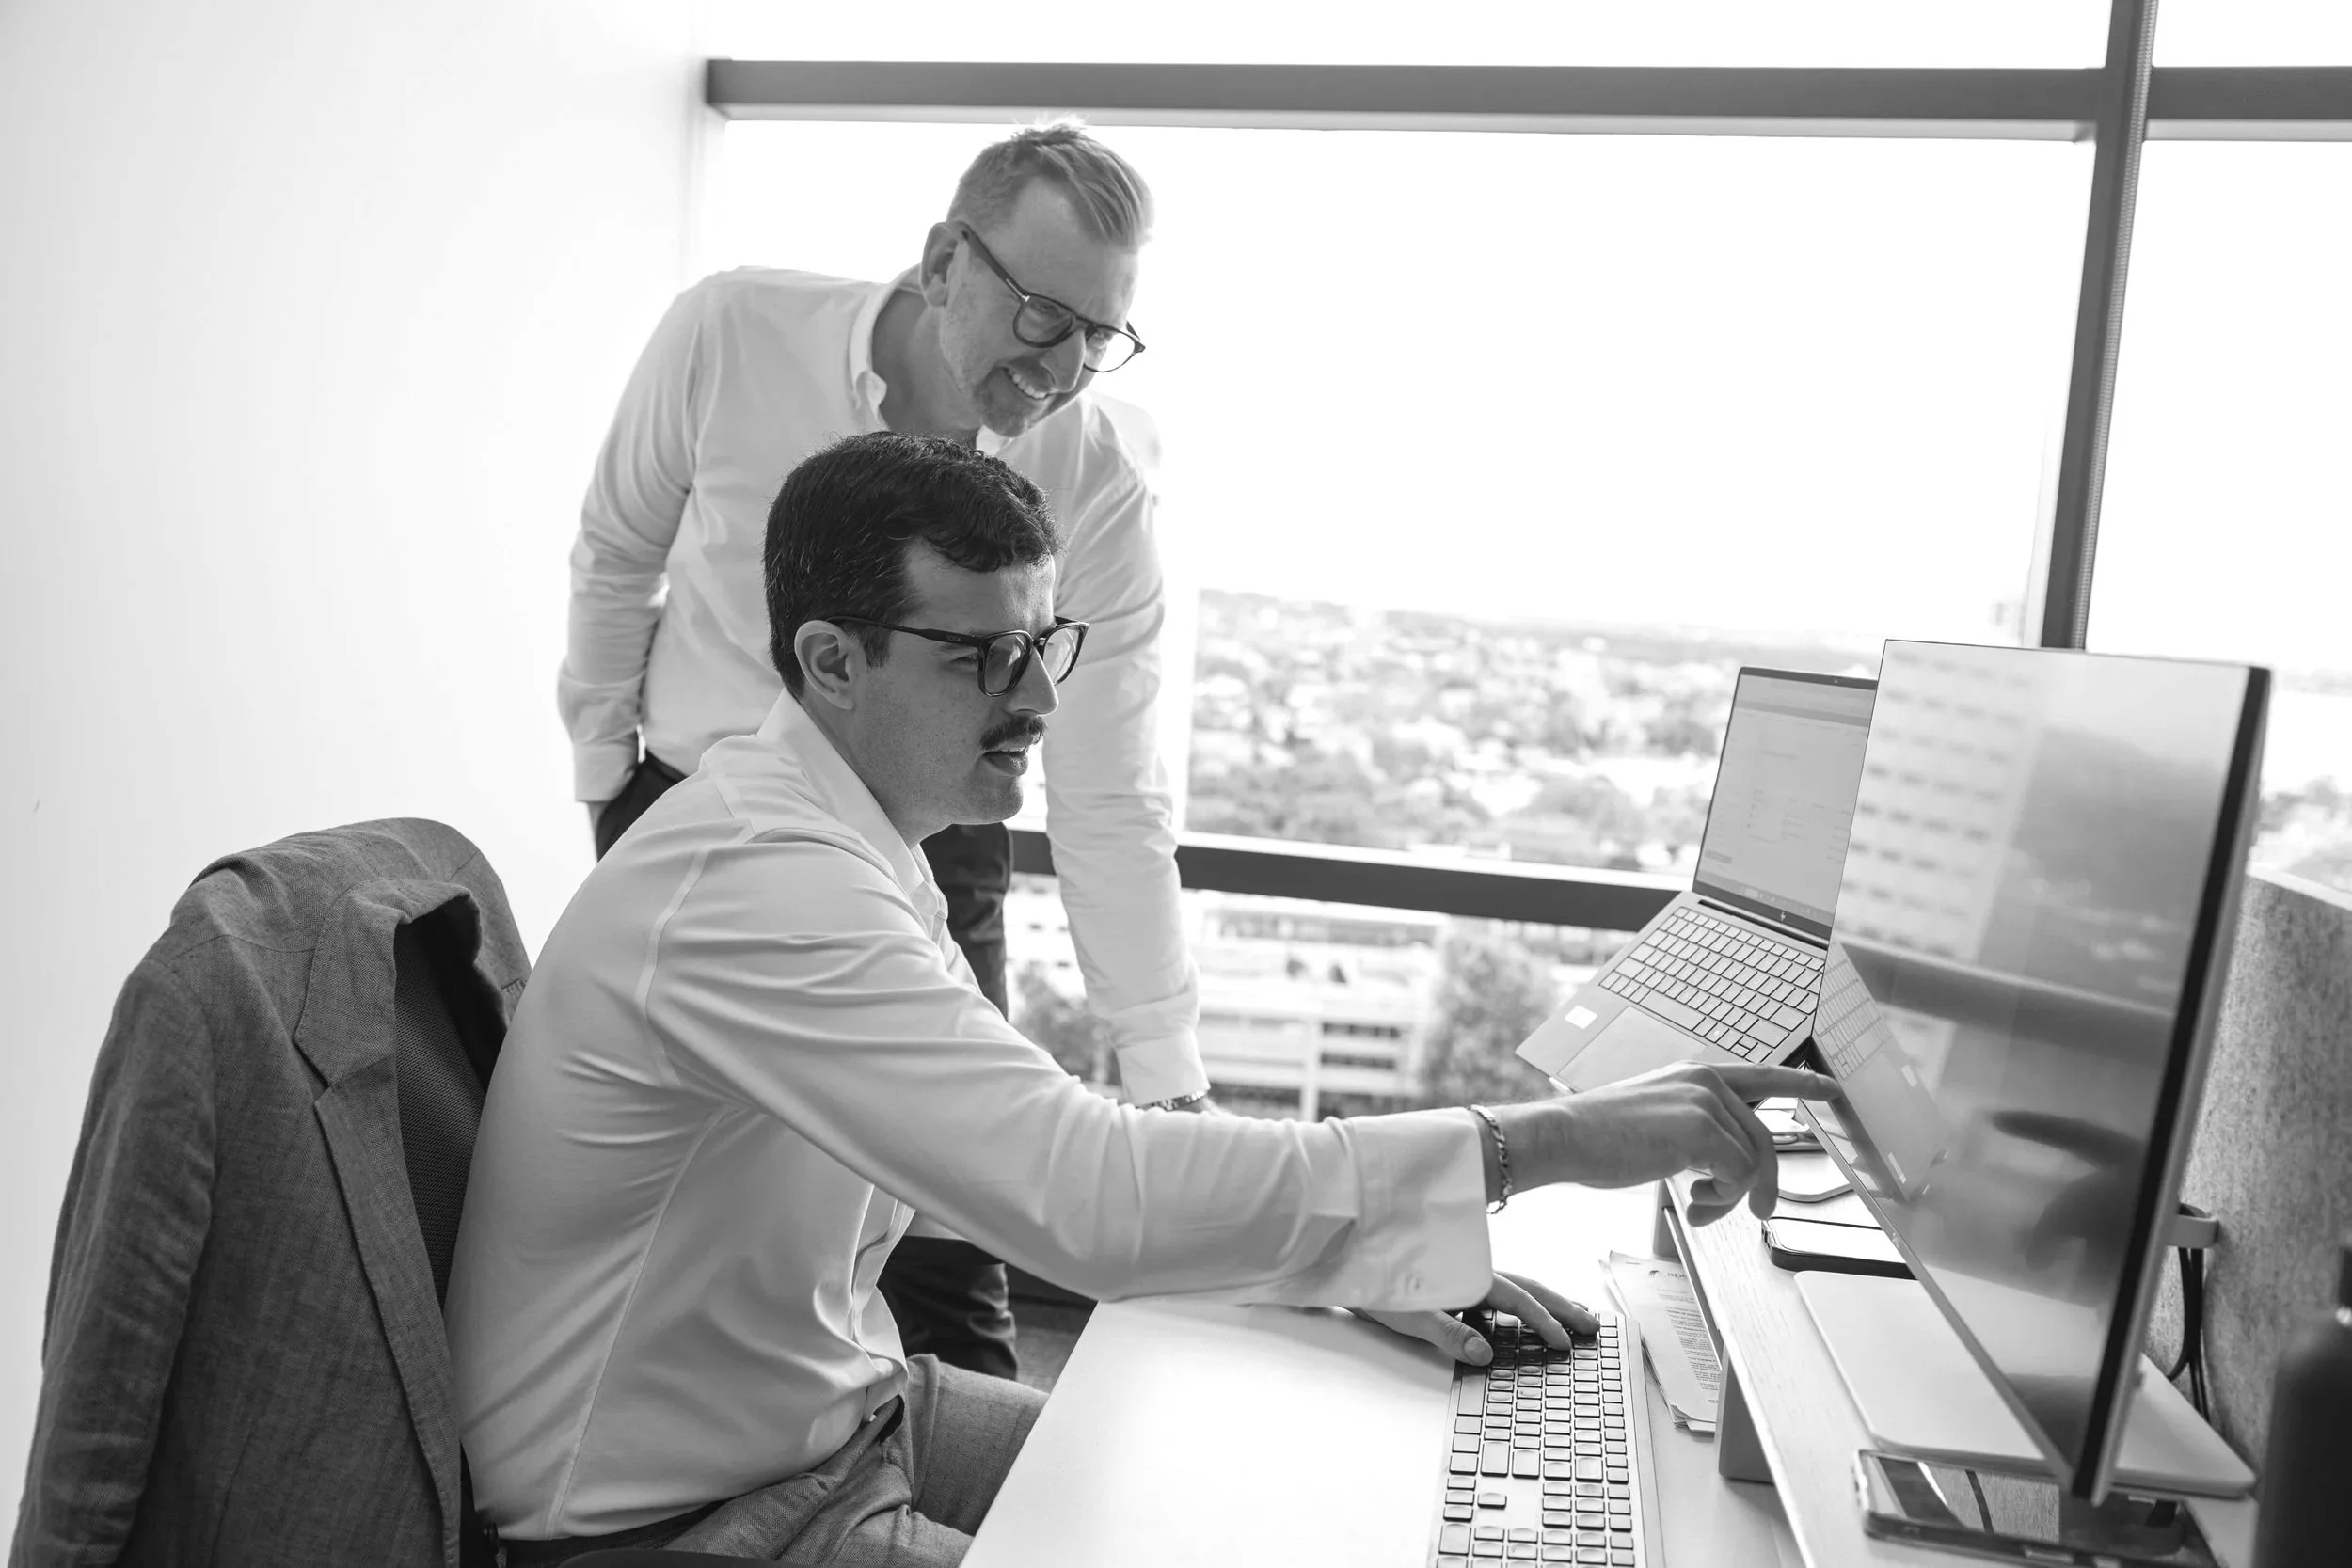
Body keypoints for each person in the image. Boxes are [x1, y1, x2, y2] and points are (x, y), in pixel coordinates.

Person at [450, 432, 1837, 1564]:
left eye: (1045, 642)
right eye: (981, 655)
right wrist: (1546, 1142)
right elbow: (1083, 1191)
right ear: (830, 661)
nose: (1038, 698)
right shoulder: (766, 885)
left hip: (829, 1420)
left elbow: (1021, 1155)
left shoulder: (846, 843)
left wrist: (1362, 1264)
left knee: (1259, 1482)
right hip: (678, 1520)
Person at [558, 122, 1200, 1379]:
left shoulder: (1097, 472)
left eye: (1098, 332)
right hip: (690, 810)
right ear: (943, 260)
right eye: (1039, 315)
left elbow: (1110, 790)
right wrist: (607, 790)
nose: (1064, 364)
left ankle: (950, 1477)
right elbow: (615, 553)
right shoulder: (729, 331)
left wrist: (1165, 1070)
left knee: (956, 1245)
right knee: (707, 1212)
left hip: (929, 840)